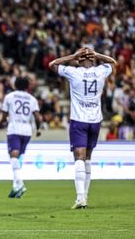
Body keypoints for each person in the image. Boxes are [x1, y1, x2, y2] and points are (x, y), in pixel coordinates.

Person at [49, 47, 116, 209]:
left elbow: (52, 64)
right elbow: (114, 63)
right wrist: (98, 54)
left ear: (79, 60)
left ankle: (80, 198)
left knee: (79, 157)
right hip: (95, 120)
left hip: (79, 119)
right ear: (93, 59)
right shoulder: (101, 71)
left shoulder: (73, 72)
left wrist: (72, 55)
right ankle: (85, 196)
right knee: (88, 158)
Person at [0, 77, 42, 198]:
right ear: (27, 86)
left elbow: (4, 114)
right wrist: (38, 129)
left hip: (14, 128)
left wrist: (3, 121)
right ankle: (15, 187)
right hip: (27, 130)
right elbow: (38, 117)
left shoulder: (9, 97)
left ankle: (20, 184)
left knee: (13, 156)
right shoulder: (32, 99)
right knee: (18, 158)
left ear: (15, 85)